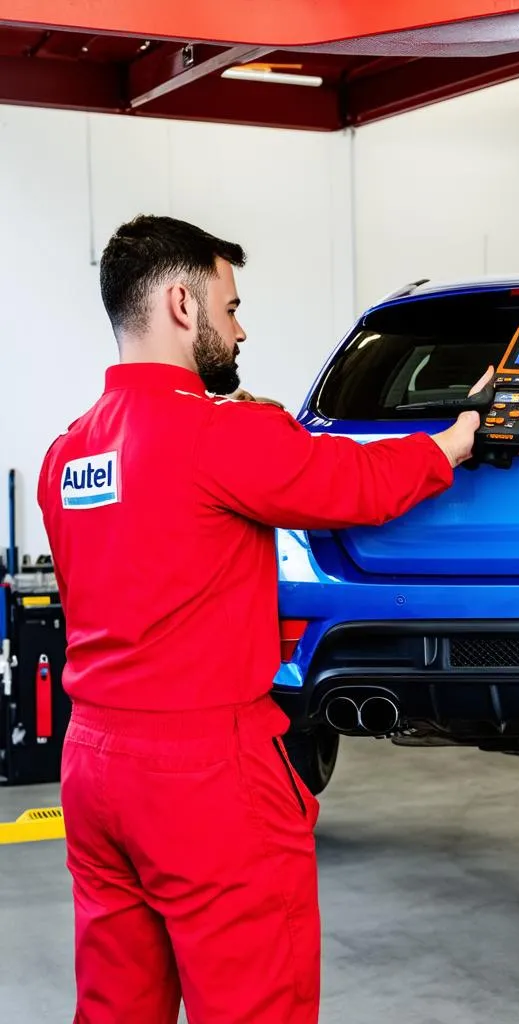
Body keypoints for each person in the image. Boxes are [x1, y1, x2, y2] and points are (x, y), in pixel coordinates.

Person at [36, 214, 487, 1023]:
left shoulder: (69, 454)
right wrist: (451, 441)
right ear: (182, 303)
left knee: (116, 1003)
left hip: (95, 765)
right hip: (205, 775)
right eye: (231, 306)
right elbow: (351, 484)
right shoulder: (221, 435)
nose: (240, 329)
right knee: (254, 1001)